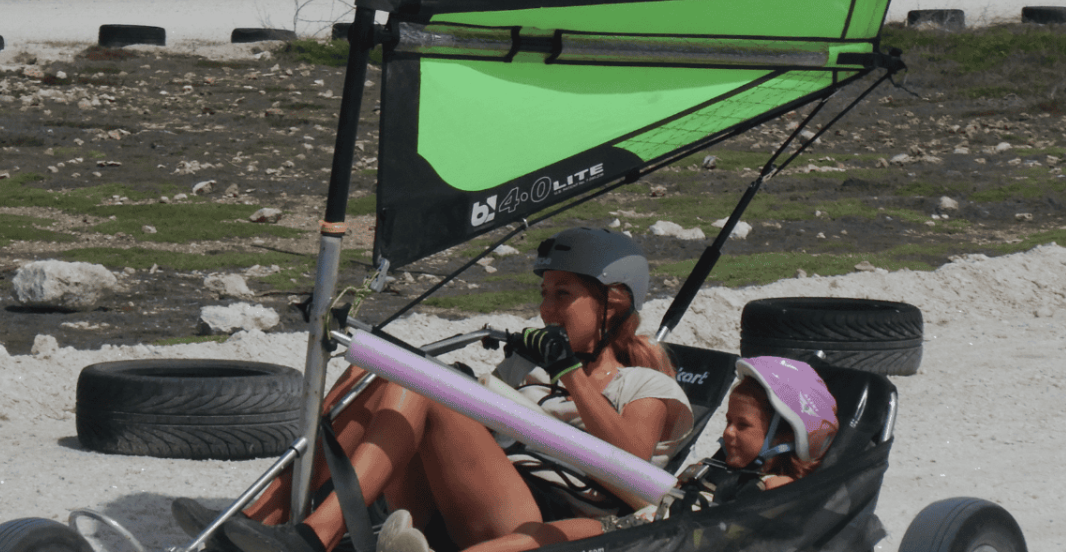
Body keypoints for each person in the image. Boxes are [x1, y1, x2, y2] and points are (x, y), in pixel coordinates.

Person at [171, 227, 692, 552]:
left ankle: (314, 536)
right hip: (460, 501)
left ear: (614, 305)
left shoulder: (647, 384)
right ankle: (265, 516)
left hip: (540, 522)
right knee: (376, 372)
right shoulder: (526, 369)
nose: (546, 310)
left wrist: (569, 377)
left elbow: (634, 466)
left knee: (421, 382)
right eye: (542, 294)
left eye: (564, 295)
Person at [679, 355, 839, 507]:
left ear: (785, 437)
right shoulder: (711, 473)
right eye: (728, 421)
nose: (727, 432)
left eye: (742, 425)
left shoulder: (776, 488)